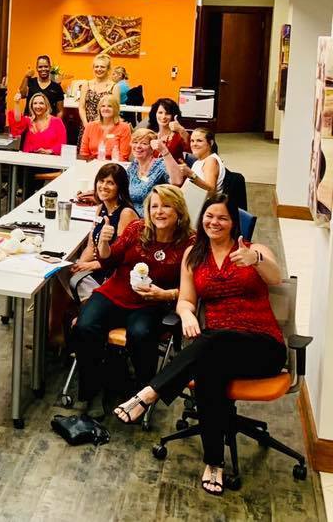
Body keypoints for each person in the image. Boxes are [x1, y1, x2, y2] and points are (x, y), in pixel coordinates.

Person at [113, 194, 285, 496]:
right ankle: (214, 464)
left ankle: (149, 393)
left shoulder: (252, 249)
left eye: (222, 218)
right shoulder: (194, 254)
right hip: (216, 346)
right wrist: (186, 315)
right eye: (209, 216)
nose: (214, 222)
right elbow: (186, 301)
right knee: (209, 369)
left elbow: (277, 278)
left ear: (233, 222)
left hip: (263, 346)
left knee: (212, 342)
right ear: (201, 218)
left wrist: (255, 260)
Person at [72, 184, 193, 418]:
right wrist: (104, 243)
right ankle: (92, 392)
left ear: (179, 210)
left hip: (151, 302)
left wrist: (165, 295)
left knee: (140, 334)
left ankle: (140, 396)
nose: (159, 211)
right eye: (154, 206)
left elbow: (195, 287)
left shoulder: (189, 241)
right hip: (115, 293)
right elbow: (109, 261)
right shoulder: (137, 229)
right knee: (85, 325)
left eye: (166, 206)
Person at [69, 163, 139, 301]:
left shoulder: (126, 214)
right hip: (98, 266)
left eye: (110, 183)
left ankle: (89, 311)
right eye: (101, 181)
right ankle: (56, 322)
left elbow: (121, 257)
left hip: (114, 273)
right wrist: (80, 265)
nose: (104, 186)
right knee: (62, 273)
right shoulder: (101, 208)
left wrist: (90, 265)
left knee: (75, 281)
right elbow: (91, 246)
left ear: (120, 187)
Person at [127, 128, 185, 216]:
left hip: (154, 217)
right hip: (131, 216)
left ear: (152, 148)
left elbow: (177, 181)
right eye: (135, 142)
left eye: (144, 143)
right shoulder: (133, 166)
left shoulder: (160, 165)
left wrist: (164, 151)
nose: (138, 146)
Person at [77, 53, 120, 143]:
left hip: (105, 128)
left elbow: (116, 110)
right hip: (86, 126)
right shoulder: (86, 84)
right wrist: (86, 124)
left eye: (102, 67)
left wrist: (99, 126)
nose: (99, 69)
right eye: (96, 67)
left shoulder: (114, 87)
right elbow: (81, 107)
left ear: (108, 69)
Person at [79, 95, 132, 161]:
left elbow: (124, 155)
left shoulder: (124, 128)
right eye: (103, 106)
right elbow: (84, 153)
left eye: (110, 106)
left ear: (116, 109)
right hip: (92, 164)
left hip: (115, 165)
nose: (106, 109)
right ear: (99, 109)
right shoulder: (90, 126)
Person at [179, 127, 225, 193]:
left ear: (211, 143)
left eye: (199, 141)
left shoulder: (211, 160)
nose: (194, 144)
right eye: (192, 141)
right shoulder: (197, 162)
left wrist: (191, 174)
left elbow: (211, 190)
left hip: (201, 202)